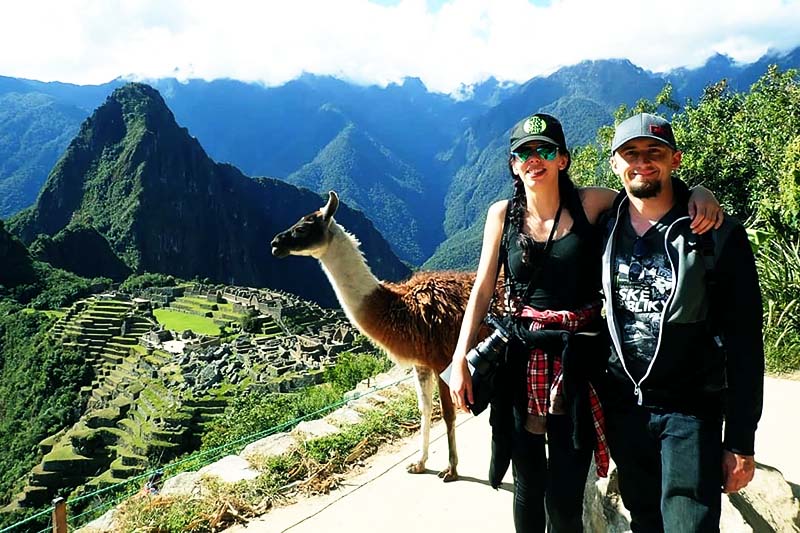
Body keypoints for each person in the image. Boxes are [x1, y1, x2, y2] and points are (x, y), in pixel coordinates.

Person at [449, 112, 722, 533]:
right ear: (513, 164)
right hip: (520, 360)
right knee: (527, 483)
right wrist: (460, 360)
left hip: (579, 364)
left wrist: (697, 192)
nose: (533, 158)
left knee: (565, 488)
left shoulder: (593, 203)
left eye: (545, 150)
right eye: (524, 152)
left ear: (563, 159)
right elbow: (483, 290)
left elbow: (648, 196)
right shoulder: (501, 215)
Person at [600, 113, 764, 532]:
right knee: (645, 521)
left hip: (691, 410)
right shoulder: (603, 226)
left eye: (654, 152)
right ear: (614, 163)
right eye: (630, 153)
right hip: (625, 408)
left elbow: (745, 343)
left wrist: (741, 441)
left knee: (691, 525)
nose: (643, 162)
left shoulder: (717, 234)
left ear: (675, 158)